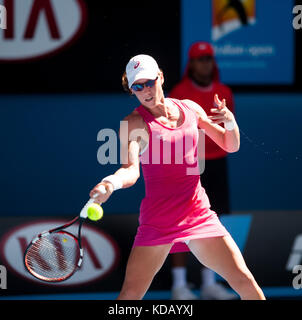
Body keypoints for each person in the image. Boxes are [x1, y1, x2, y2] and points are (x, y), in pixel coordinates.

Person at [89, 54, 265, 300]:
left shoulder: (190, 108)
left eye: (149, 82)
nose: (145, 90)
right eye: (137, 87)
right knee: (130, 294)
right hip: (158, 221)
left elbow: (230, 144)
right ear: (132, 90)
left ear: (160, 77)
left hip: (198, 214)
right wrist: (111, 183)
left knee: (244, 280)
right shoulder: (133, 123)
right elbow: (130, 170)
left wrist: (230, 123)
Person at [168, 41, 236, 300]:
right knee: (181, 223)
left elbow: (229, 134)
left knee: (212, 224)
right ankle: (180, 285)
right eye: (199, 58)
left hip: (217, 165)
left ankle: (209, 283)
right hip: (189, 165)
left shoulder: (225, 92)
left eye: (208, 58)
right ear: (191, 63)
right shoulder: (178, 92)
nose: (205, 63)